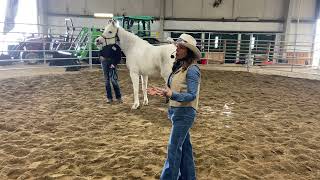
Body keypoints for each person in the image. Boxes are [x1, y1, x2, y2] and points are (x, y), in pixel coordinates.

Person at [148, 33, 201, 180]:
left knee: (173, 149)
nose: (176, 49)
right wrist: (164, 92)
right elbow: (175, 91)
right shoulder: (180, 68)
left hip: (184, 113)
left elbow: (192, 95)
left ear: (188, 51)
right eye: (177, 47)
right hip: (177, 112)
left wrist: (172, 94)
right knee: (184, 148)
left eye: (180, 47)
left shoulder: (192, 70)